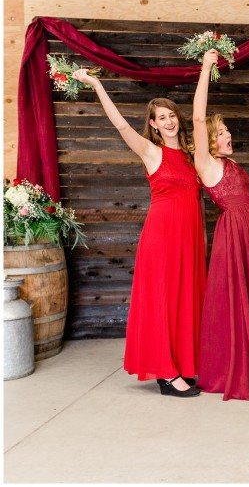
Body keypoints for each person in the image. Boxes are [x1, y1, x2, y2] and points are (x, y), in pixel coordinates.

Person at [72, 69, 205, 398]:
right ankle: (166, 373)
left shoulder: (190, 157)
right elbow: (119, 124)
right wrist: (97, 84)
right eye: (162, 117)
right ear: (154, 124)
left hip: (188, 237)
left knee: (184, 300)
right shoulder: (151, 151)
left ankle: (184, 364)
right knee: (163, 300)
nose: (169, 121)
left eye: (172, 114)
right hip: (162, 237)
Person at [192, 50, 249, 401]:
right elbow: (197, 118)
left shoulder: (231, 162)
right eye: (221, 132)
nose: (227, 135)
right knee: (232, 299)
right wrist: (207, 69)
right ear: (209, 139)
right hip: (234, 233)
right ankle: (231, 366)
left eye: (225, 131)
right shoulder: (206, 162)